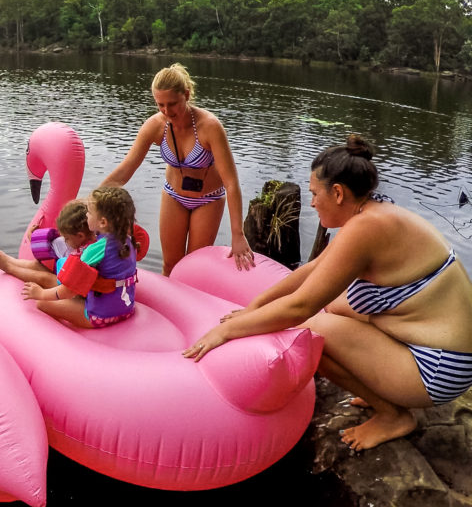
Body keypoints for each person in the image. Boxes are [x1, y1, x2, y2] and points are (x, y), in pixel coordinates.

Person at [183, 135, 472, 451]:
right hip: (439, 350)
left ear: (337, 193)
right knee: (334, 307)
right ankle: (383, 385)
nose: (310, 203)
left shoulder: (366, 229)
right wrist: (255, 307)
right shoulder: (373, 214)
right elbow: (312, 269)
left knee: (308, 334)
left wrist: (225, 331)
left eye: (314, 194)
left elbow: (300, 307)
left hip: (438, 369)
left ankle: (393, 415)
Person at [100, 63, 254, 275]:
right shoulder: (155, 125)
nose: (166, 111)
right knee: (170, 264)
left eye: (172, 104)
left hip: (207, 199)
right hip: (174, 196)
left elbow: (231, 183)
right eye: (160, 104)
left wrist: (237, 234)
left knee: (193, 267)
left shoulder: (209, 126)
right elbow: (126, 170)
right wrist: (92, 199)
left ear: (187, 95)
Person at [21, 187, 139, 329]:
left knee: (42, 303)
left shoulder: (95, 249)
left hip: (100, 316)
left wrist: (41, 293)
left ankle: (66, 335)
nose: (87, 215)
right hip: (127, 309)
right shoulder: (129, 241)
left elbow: (69, 289)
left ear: (102, 223)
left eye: (89, 212)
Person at [0, 199, 97, 288]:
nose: (64, 240)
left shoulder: (93, 249)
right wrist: (32, 237)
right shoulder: (77, 241)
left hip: (73, 288)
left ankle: (8, 267)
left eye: (66, 238)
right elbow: (50, 245)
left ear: (80, 235)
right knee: (36, 264)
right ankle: (11, 260)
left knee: (44, 278)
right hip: (65, 277)